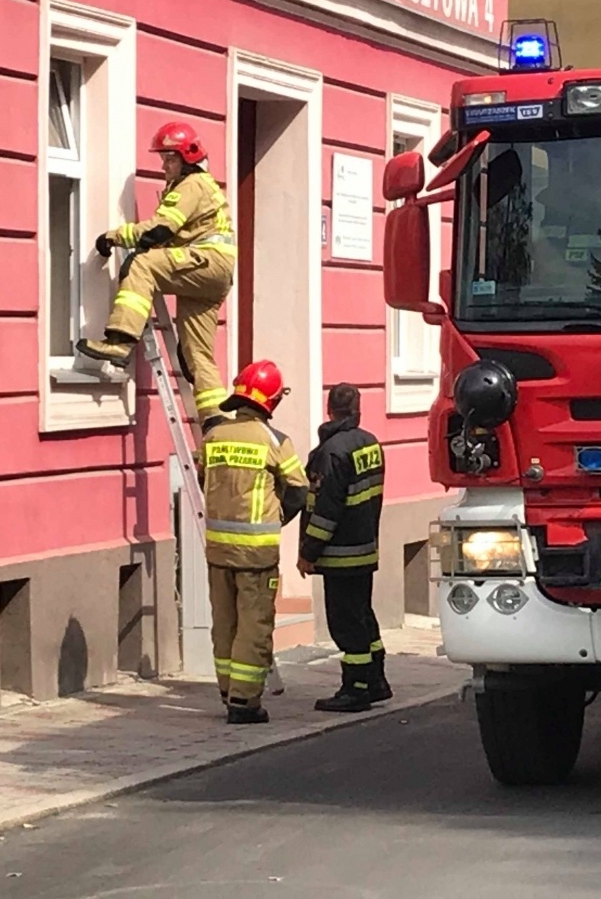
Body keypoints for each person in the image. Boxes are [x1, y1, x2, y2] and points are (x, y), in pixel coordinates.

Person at [76, 121, 235, 425]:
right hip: (214, 273)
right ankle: (215, 422)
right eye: (163, 158)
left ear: (188, 158)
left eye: (170, 158)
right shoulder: (202, 186)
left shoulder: (192, 185)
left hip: (205, 260)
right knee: (197, 354)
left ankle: (119, 342)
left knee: (144, 264)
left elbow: (161, 228)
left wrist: (114, 236)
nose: (164, 164)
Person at [198, 360, 310, 724]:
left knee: (224, 623)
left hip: (217, 549)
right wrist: (276, 518)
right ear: (272, 401)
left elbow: (204, 479)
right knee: (254, 626)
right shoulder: (275, 441)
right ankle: (244, 702)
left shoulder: (213, 437)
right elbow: (298, 489)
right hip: (256, 554)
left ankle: (227, 690)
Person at [297, 383, 391, 713]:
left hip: (340, 554)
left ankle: (356, 688)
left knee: (345, 623)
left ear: (329, 409)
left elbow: (325, 510)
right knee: (363, 615)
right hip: (365, 546)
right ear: (358, 409)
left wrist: (308, 552)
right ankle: (377, 680)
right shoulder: (370, 444)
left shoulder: (331, 453)